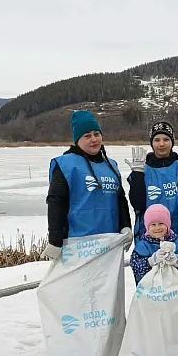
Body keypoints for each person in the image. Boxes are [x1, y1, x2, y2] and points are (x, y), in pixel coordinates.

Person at [42, 110, 133, 260]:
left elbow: (120, 200)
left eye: (97, 134)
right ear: (77, 139)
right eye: (87, 136)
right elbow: (56, 202)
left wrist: (125, 225)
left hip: (109, 243)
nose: (94, 139)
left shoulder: (111, 166)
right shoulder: (66, 165)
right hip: (78, 245)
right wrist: (55, 240)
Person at [126, 121, 178, 243]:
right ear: (152, 143)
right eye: (157, 140)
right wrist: (137, 175)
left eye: (166, 139)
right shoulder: (142, 169)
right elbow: (137, 205)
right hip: (148, 238)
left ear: (172, 142)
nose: (162, 144)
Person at [129, 204, 178, 306]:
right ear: (147, 226)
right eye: (153, 225)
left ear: (168, 224)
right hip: (152, 296)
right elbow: (136, 267)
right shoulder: (142, 246)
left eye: (161, 223)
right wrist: (151, 261)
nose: (157, 228)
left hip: (177, 297)